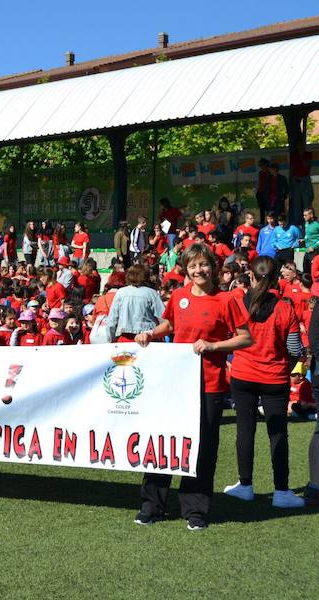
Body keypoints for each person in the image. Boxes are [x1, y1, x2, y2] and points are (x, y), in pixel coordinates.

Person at [134, 244, 251, 530]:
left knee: (203, 447)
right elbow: (169, 325)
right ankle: (152, 505)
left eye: (203, 265)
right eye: (193, 266)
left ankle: (195, 509)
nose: (199, 271)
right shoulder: (178, 296)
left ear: (213, 266)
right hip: (174, 384)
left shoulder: (227, 299)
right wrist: (149, 333)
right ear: (185, 269)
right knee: (163, 442)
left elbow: (245, 338)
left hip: (209, 385)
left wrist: (214, 345)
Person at [223, 256, 305, 508]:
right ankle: (281, 491)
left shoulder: (239, 302)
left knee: (245, 430)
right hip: (274, 377)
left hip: (243, 374)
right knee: (278, 433)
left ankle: (245, 484)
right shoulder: (284, 308)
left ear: (251, 276)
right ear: (275, 278)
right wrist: (284, 367)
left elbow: (229, 336)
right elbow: (294, 349)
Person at [104, 264, 163, 343]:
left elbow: (111, 321)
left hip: (125, 339)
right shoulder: (152, 294)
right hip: (147, 339)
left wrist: (111, 340)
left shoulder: (120, 293)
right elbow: (164, 318)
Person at [290, 141, 314, 226]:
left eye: (302, 146)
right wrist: (292, 181)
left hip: (305, 180)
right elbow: (292, 169)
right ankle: (298, 222)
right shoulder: (294, 156)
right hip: (296, 181)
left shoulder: (308, 154)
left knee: (307, 202)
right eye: (298, 146)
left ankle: (310, 220)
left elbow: (307, 165)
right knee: (297, 203)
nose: (300, 148)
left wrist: (302, 156)